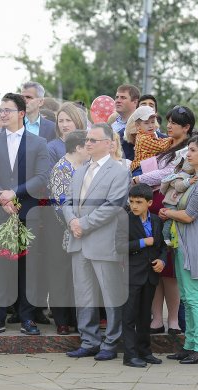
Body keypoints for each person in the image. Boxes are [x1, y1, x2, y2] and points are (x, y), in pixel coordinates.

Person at [0, 93, 51, 336]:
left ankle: (27, 318)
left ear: (21, 113)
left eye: (7, 110)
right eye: (1, 110)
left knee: (27, 268)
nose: (2, 114)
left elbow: (42, 176)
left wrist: (15, 193)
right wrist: (2, 197)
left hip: (27, 212)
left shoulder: (39, 143)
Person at [62, 123, 129, 360]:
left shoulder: (119, 171)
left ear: (109, 144)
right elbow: (67, 201)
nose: (87, 143)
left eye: (93, 140)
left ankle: (111, 342)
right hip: (78, 240)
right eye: (87, 140)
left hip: (102, 242)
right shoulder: (79, 170)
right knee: (84, 295)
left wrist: (84, 224)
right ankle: (89, 340)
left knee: (110, 295)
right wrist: (72, 222)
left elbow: (113, 206)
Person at [159, 133, 198, 364]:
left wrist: (167, 213)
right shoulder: (197, 177)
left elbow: (189, 215)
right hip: (184, 242)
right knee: (186, 295)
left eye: (193, 150)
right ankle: (190, 344)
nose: (188, 154)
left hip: (193, 242)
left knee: (194, 297)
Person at [132, 106, 193, 335]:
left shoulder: (188, 149)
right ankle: (157, 319)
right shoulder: (166, 144)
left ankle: (174, 321)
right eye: (168, 122)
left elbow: (168, 174)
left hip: (171, 209)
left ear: (186, 127)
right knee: (155, 265)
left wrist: (138, 178)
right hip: (156, 205)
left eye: (174, 123)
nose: (169, 126)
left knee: (170, 269)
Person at [48, 130, 89, 335]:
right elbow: (60, 203)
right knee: (61, 276)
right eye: (88, 144)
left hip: (84, 228)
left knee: (79, 277)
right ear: (78, 147)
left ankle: (76, 318)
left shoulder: (87, 167)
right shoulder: (61, 169)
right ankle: (62, 320)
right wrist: (74, 223)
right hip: (62, 229)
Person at [120, 183, 166, 367]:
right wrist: (142, 242)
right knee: (129, 315)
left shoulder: (156, 221)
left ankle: (145, 351)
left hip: (150, 275)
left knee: (145, 315)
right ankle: (129, 355)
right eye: (131, 202)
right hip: (131, 274)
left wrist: (162, 261)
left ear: (149, 202)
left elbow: (163, 246)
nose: (134, 206)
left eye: (139, 202)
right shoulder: (124, 220)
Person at [127, 105, 172, 176]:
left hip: (147, 167)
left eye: (153, 122)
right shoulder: (143, 138)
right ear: (138, 125)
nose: (150, 125)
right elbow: (161, 146)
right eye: (146, 123)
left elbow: (160, 141)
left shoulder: (149, 135)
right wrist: (172, 138)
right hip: (140, 169)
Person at [48, 102, 87, 168]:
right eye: (61, 121)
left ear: (77, 121)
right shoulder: (51, 148)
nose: (64, 125)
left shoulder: (88, 144)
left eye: (68, 120)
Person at [111, 85, 140, 160]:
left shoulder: (142, 125)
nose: (118, 101)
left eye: (123, 97)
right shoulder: (112, 125)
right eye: (117, 97)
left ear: (135, 102)